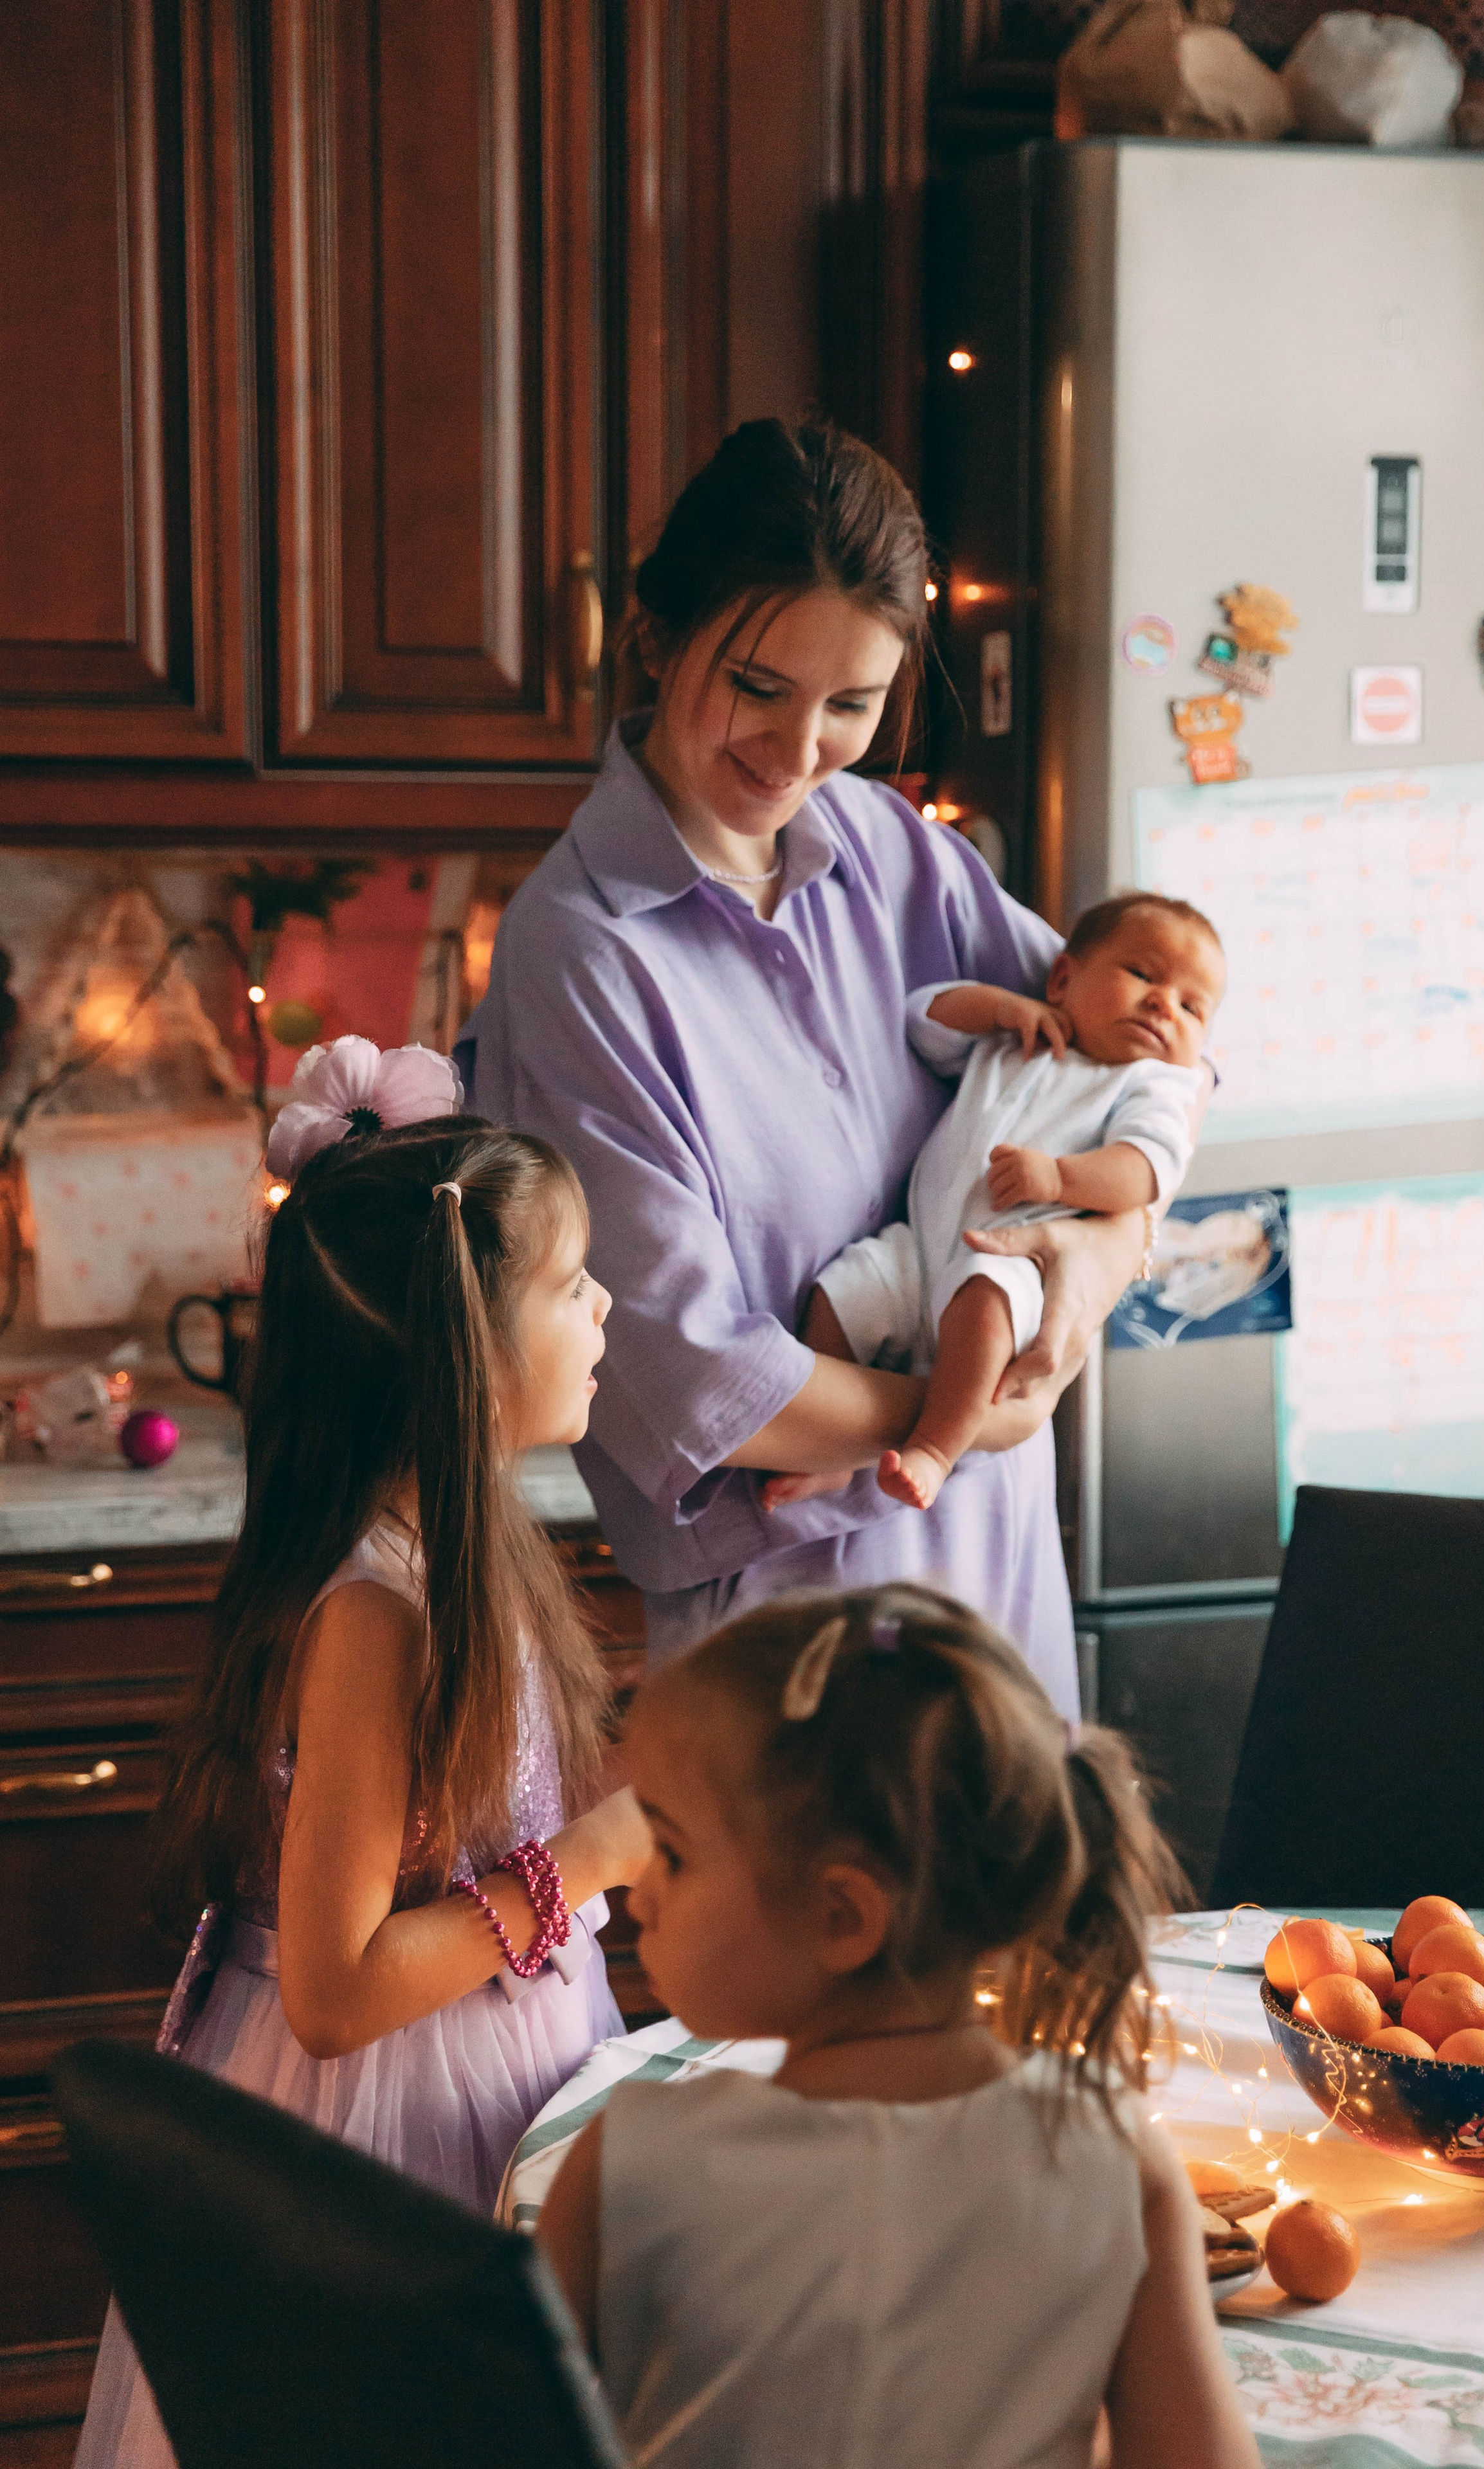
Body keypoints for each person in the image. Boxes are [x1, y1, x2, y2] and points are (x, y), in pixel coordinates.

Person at [460, 419, 1211, 1715]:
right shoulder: (577, 958)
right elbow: (700, 1381)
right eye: (755, 685)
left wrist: (1090, 1270)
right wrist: (980, 1410)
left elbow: (1154, 1075)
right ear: (654, 637)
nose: (797, 752)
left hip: (999, 1577)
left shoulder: (891, 850)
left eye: (850, 705)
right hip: (787, 1646)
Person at [75, 1038, 651, 2469]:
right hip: (391, 2115)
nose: (605, 1308)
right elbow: (335, 1995)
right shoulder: (376, 1618)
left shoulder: (463, 1561)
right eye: (571, 1285)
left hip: (498, 2056)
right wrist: (586, 1861)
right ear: (469, 1340)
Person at [538, 1584, 1261, 2469]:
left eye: (674, 1854)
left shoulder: (629, 2166)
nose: (636, 1890)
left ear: (843, 1915)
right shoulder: (1115, 2155)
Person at [800, 891, 1225, 1509]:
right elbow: (925, 1020)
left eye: (1193, 1007)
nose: (1164, 1005)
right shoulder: (1017, 1039)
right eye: (1142, 974)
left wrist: (1059, 1179)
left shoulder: (1152, 1084)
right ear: (1062, 979)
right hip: (918, 1251)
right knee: (840, 1292)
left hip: (1014, 1258)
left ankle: (936, 1449)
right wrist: (998, 1008)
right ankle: (824, 1450)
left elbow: (1145, 1170)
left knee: (985, 1301)